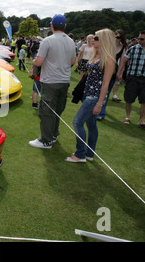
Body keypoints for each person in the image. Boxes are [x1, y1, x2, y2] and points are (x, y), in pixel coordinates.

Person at [66, 29, 116, 163]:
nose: (93, 40)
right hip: (87, 94)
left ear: (104, 40)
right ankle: (89, 153)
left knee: (77, 122)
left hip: (94, 97)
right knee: (91, 124)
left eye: (96, 38)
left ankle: (80, 154)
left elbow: (106, 84)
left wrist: (100, 104)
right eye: (93, 37)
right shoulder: (95, 56)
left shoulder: (109, 59)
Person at [29, 14, 76, 149]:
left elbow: (38, 61)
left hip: (50, 82)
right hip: (64, 81)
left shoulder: (47, 40)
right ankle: (54, 134)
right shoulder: (71, 41)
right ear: (65, 26)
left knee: (47, 110)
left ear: (52, 26)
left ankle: (46, 140)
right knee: (57, 109)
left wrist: (33, 61)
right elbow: (72, 61)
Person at [116, 30, 145, 131]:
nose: (139, 40)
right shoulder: (133, 49)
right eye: (138, 38)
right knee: (129, 98)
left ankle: (142, 121)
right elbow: (123, 61)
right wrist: (119, 73)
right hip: (132, 76)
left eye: (141, 39)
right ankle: (128, 117)